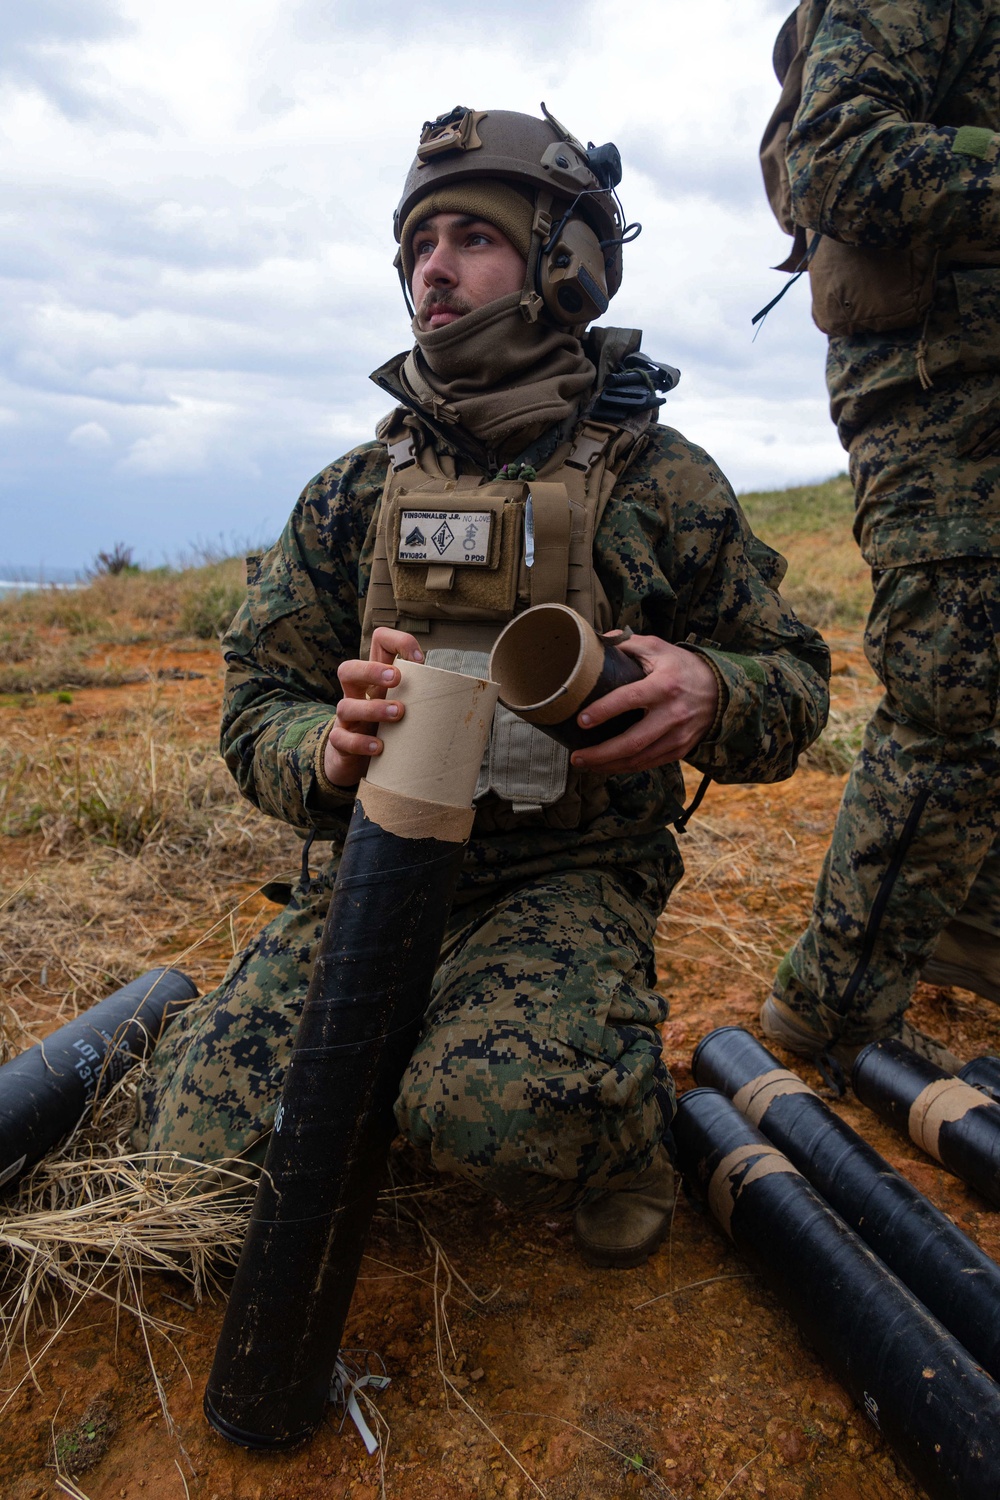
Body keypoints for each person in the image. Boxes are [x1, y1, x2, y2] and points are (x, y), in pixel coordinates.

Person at [133, 105, 830, 1266]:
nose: (432, 273)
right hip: (374, 871)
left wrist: (714, 688)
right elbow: (257, 691)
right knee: (188, 1172)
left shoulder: (664, 481)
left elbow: (797, 681)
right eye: (416, 246)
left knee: (493, 1120)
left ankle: (612, 1123)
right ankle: (407, 1053)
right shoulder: (352, 492)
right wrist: (323, 746)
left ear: (564, 268)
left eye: (470, 238)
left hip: (565, 875)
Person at [759, 1, 1000, 1071]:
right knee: (957, 701)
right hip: (943, 390)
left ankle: (971, 924)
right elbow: (835, 158)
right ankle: (828, 1011)